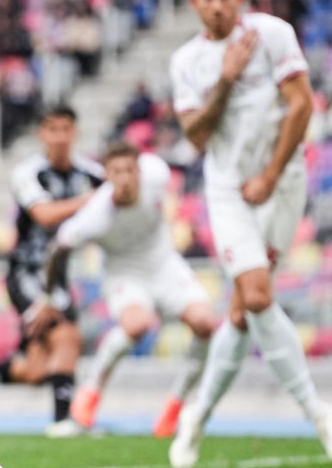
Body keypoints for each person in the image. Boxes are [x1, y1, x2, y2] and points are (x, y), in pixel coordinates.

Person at [167, 0, 332, 468]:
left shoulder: (272, 34)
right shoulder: (187, 62)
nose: (218, 5)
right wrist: (226, 80)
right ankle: (318, 414)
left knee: (242, 311)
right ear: (194, 3)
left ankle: (196, 417)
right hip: (228, 191)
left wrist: (270, 175)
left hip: (283, 184)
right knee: (257, 294)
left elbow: (302, 105)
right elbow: (196, 137)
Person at [0, 105, 102, 436]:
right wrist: (94, 199)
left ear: (76, 132)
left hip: (58, 275)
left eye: (66, 129)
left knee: (35, 370)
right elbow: (44, 215)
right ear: (42, 134)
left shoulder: (91, 174)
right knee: (67, 336)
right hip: (26, 274)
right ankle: (63, 423)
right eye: (53, 129)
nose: (60, 137)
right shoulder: (29, 173)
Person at [31, 141, 217, 436]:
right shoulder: (94, 215)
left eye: (130, 170)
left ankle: (176, 405)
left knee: (205, 323)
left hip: (166, 266)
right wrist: (48, 296)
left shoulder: (157, 174)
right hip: (125, 275)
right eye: (117, 172)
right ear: (107, 176)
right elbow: (57, 249)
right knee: (137, 325)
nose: (126, 178)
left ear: (139, 171)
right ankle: (90, 391)